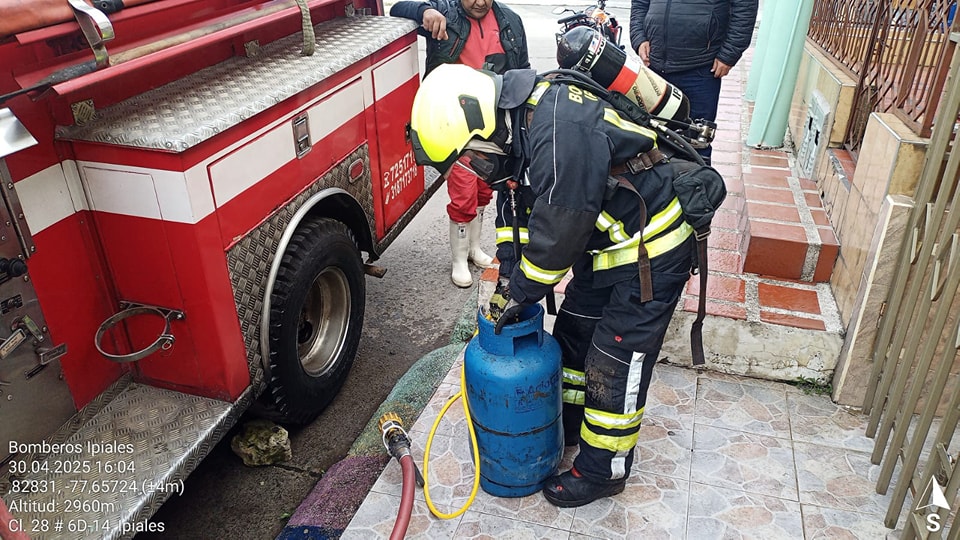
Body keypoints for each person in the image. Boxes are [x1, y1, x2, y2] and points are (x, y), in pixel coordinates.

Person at [409, 63, 709, 508]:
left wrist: (519, 293)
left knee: (615, 359)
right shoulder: (516, 128)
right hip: (608, 248)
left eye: (471, 158)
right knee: (571, 338)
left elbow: (556, 238)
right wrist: (508, 278)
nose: (474, 168)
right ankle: (566, 425)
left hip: (652, 251)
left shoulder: (559, 127)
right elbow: (517, 216)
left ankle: (603, 470)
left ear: (479, 122)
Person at [390, 0, 530, 287]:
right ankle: (458, 259)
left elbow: (523, 71)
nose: (479, 2)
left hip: (495, 124)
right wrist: (424, 12)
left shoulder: (511, 21)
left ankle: (474, 249)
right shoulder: (444, 12)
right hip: (454, 125)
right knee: (463, 194)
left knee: (483, 192)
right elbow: (396, 8)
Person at [629, 0, 757, 163]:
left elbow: (745, 7)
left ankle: (696, 186)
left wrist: (729, 54)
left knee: (695, 141)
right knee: (650, 135)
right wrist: (639, 37)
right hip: (655, 65)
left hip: (701, 68)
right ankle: (659, 186)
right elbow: (640, 3)